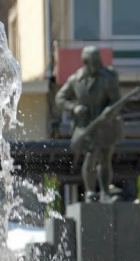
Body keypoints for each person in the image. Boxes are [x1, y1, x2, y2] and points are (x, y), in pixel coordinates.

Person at [55, 46, 123, 203]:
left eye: (99, 60)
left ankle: (105, 192)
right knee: (90, 157)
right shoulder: (75, 80)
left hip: (106, 126)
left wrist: (109, 111)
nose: (99, 64)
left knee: (106, 158)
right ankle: (90, 192)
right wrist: (74, 108)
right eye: (95, 61)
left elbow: (117, 101)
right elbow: (60, 99)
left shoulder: (109, 77)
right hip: (86, 127)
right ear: (86, 62)